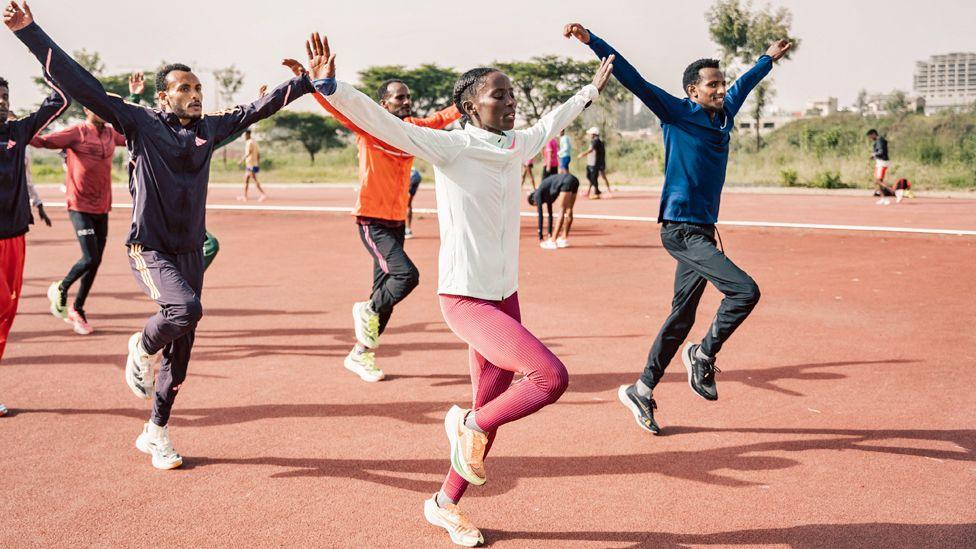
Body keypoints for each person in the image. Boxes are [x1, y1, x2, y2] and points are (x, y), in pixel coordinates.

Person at [304, 32, 612, 546]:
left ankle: (444, 504)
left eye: (512, 95)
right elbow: (385, 123)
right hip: (466, 299)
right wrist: (333, 88)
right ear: (470, 106)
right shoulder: (450, 146)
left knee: (491, 413)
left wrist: (589, 92)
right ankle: (463, 421)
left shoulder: (517, 144)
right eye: (498, 95)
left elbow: (551, 123)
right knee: (548, 378)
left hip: (505, 296)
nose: (510, 102)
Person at [7, 1, 315, 468]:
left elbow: (256, 108)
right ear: (163, 97)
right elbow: (81, 84)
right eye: (183, 88)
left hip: (190, 249)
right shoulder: (140, 123)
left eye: (197, 87)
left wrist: (305, 81)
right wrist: (31, 32)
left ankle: (157, 431)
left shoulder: (210, 128)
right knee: (183, 308)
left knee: (183, 351)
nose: (194, 94)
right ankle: (141, 344)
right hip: (148, 247)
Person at [566, 22, 791, 435]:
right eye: (712, 86)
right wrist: (592, 41)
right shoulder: (675, 112)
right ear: (693, 91)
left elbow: (747, 82)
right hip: (680, 229)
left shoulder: (725, 115)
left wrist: (768, 58)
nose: (721, 90)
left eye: (722, 84)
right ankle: (703, 355)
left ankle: (642, 388)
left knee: (681, 317)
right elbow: (632, 76)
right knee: (744, 291)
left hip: (702, 231)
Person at [286, 58, 460, 383]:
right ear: (383, 104)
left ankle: (361, 354)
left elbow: (440, 118)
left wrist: (467, 101)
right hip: (371, 219)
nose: (406, 102)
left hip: (395, 221)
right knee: (405, 276)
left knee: (386, 291)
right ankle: (365, 310)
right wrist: (312, 85)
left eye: (408, 97)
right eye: (399, 98)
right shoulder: (369, 127)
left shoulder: (412, 130)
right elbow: (340, 110)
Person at [0, 61, 71, 419]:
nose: (0, 103)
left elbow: (60, 100)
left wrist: (49, 68)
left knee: (7, 312)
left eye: (4, 97)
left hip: (14, 237)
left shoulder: (18, 131)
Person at [32, 105, 126, 335]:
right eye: (96, 106)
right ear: (86, 109)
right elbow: (44, 142)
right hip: (79, 205)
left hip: (102, 206)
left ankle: (77, 308)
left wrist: (133, 98)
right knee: (90, 257)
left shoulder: (111, 134)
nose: (103, 111)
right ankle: (62, 288)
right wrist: (18, 131)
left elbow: (134, 135)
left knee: (95, 261)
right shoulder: (77, 132)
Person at [529, 172, 580, 250]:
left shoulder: (537, 194)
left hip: (565, 182)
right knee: (569, 209)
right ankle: (563, 238)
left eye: (535, 204)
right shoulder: (546, 192)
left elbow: (540, 216)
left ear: (533, 200)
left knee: (562, 210)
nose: (537, 205)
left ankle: (553, 241)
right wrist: (549, 233)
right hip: (573, 179)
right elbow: (550, 214)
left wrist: (540, 236)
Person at [578, 126, 608, 198]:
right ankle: (593, 191)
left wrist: (582, 154)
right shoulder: (596, 141)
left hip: (595, 163)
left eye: (591, 134)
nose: (590, 135)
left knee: (595, 177)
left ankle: (597, 192)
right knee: (591, 177)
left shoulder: (596, 141)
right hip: (592, 162)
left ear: (594, 134)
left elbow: (591, 150)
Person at [866, 129, 895, 205]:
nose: (870, 138)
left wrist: (874, 155)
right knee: (877, 182)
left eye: (870, 136)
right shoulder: (879, 141)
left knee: (878, 181)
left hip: (882, 163)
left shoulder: (879, 141)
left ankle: (893, 190)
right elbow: (880, 151)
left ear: (874, 134)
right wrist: (874, 156)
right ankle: (883, 199)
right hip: (880, 162)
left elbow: (881, 152)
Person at [238, 129, 266, 202]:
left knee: (253, 179)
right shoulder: (254, 142)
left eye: (244, 135)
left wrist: (241, 160)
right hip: (253, 164)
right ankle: (245, 196)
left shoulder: (249, 142)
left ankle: (263, 194)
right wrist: (257, 163)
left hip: (251, 164)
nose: (243, 136)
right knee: (247, 179)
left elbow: (248, 153)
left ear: (247, 134)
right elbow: (258, 154)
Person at [406, 167, 421, 239]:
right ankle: (407, 229)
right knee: (407, 204)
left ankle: (407, 230)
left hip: (410, 176)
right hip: (415, 175)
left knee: (406, 204)